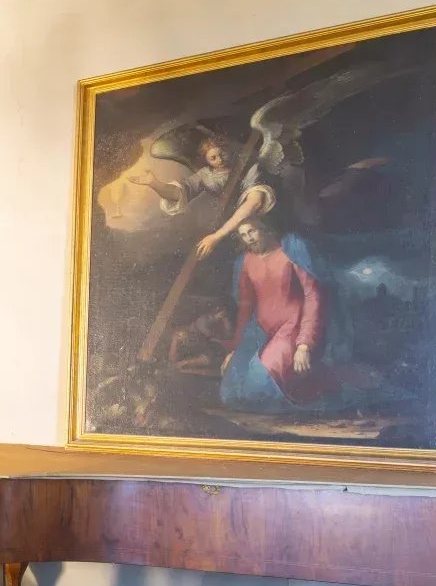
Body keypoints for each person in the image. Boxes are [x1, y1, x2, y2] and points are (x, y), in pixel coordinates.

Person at [220, 218, 334, 410]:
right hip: (260, 330)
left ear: (266, 230)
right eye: (243, 235)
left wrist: (304, 345)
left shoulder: (290, 254)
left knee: (260, 380)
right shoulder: (246, 261)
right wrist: (237, 348)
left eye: (252, 231)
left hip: (292, 328)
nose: (249, 238)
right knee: (233, 388)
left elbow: (312, 296)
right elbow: (246, 307)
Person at [127, 134, 278, 260]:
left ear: (228, 150)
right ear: (206, 160)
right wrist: (155, 184)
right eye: (213, 158)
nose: (220, 160)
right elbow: (180, 192)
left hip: (260, 220)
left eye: (222, 154)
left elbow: (254, 202)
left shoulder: (247, 166)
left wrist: (217, 236)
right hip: (227, 224)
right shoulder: (205, 175)